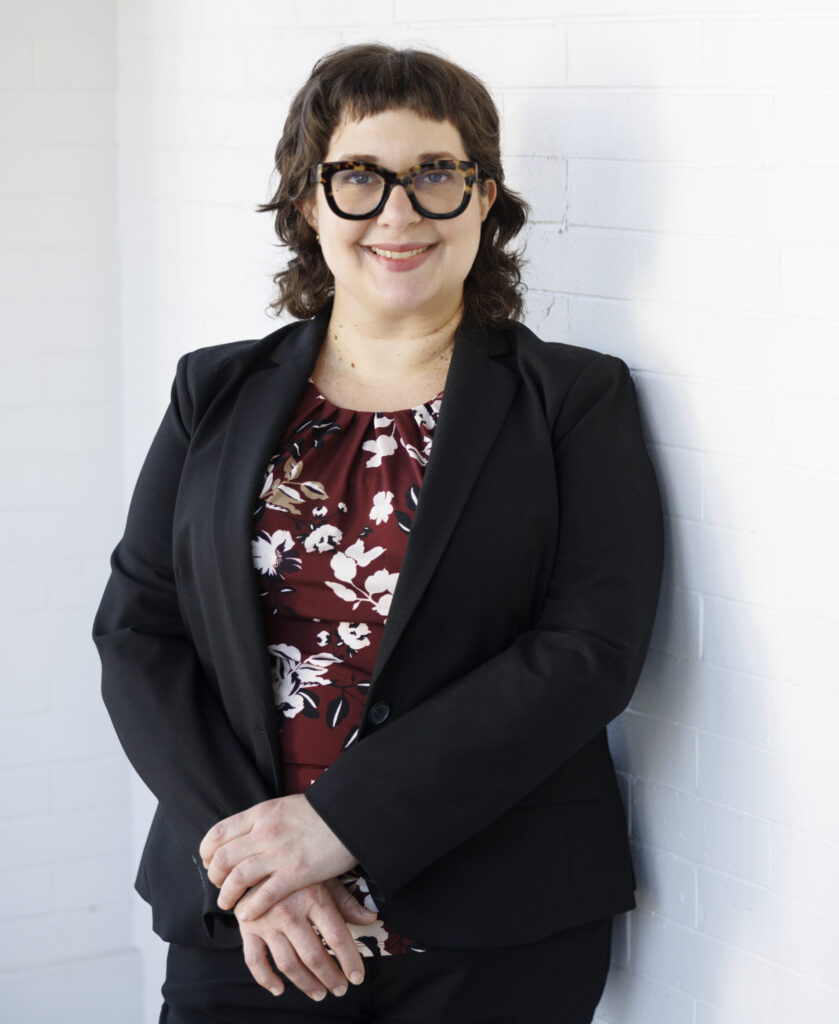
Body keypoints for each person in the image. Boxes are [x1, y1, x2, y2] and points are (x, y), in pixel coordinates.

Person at [94, 43, 664, 1024]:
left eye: (433, 176)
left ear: (482, 199)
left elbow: (587, 654)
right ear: (307, 201)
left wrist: (336, 824)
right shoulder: (212, 390)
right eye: (358, 178)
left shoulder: (573, 398)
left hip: (492, 936)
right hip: (249, 924)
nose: (397, 213)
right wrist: (265, 860)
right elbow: (140, 631)